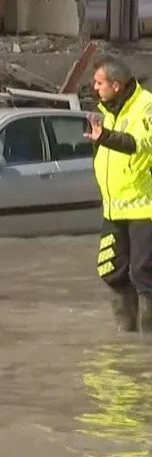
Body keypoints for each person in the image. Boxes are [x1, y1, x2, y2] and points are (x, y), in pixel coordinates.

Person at [85, 55, 152, 332]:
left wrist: (105, 138)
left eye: (99, 83)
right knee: (111, 271)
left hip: (144, 209)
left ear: (117, 85)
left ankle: (146, 347)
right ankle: (126, 342)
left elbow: (139, 144)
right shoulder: (105, 111)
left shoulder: (146, 106)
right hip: (114, 210)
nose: (94, 87)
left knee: (143, 274)